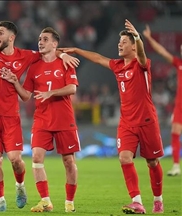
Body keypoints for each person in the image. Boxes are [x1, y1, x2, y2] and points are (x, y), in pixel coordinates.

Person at [0, 0, 79, 212]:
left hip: (10, 116)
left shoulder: (25, 56)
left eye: (0, 33)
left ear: (11, 37)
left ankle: (20, 185)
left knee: (15, 160)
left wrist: (62, 54)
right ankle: (0, 201)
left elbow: (48, 52)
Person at [60, 19, 164, 214]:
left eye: (124, 42)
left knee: (152, 162)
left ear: (133, 47)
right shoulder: (117, 66)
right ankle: (137, 201)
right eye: (119, 42)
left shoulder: (142, 65)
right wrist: (76, 50)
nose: (119, 44)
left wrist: (139, 38)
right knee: (124, 158)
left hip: (147, 120)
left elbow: (142, 54)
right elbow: (98, 58)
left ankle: (158, 200)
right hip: (126, 123)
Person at [0, 27, 80, 213]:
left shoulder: (65, 63)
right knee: (36, 158)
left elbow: (72, 88)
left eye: (45, 39)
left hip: (64, 119)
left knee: (68, 161)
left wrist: (52, 92)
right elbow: (27, 96)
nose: (40, 42)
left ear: (55, 43)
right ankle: (45, 201)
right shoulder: (34, 66)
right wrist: (15, 82)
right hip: (42, 119)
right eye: (39, 39)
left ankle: (69, 202)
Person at [143, 24, 181, 176]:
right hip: (180, 105)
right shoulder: (179, 64)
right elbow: (162, 51)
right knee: (175, 132)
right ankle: (176, 166)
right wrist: (149, 38)